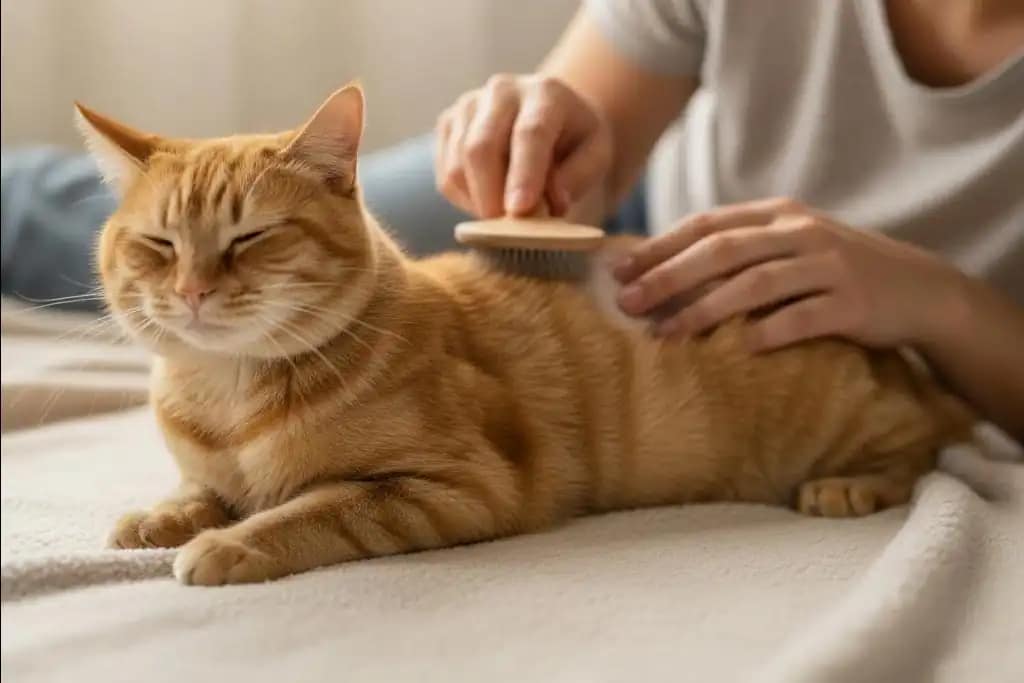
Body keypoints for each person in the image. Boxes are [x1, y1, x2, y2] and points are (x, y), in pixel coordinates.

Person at [2, 0, 1021, 438]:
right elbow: (578, 128)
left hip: (895, 346)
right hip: (626, 216)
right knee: (48, 223)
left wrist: (935, 299)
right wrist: (543, 137)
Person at [433, 0, 1024, 440]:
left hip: (917, 371)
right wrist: (538, 159)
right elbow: (578, 162)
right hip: (646, 227)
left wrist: (941, 304)